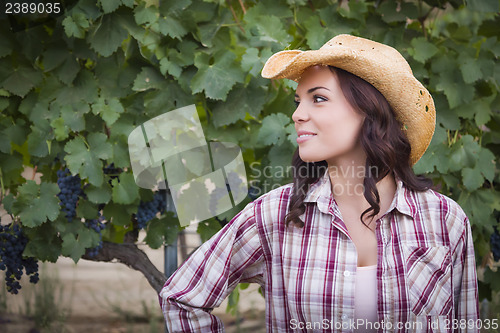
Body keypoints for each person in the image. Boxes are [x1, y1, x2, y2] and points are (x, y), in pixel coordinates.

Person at [159, 34, 479, 332]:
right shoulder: (274, 215)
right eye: (298, 101)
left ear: (370, 112)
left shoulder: (444, 220)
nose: (298, 114)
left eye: (318, 99)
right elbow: (182, 298)